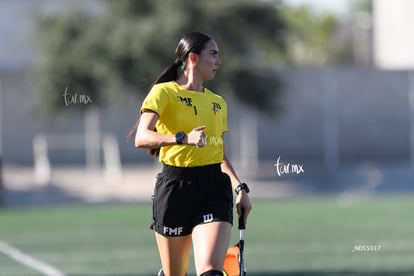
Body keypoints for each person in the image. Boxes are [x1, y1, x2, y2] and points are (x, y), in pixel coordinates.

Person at [131, 32, 252, 276]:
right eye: (213, 54)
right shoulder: (163, 93)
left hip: (214, 187)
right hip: (174, 188)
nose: (219, 61)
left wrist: (240, 188)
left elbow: (219, 152)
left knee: (211, 273)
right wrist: (182, 137)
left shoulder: (219, 103)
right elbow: (141, 137)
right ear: (193, 58)